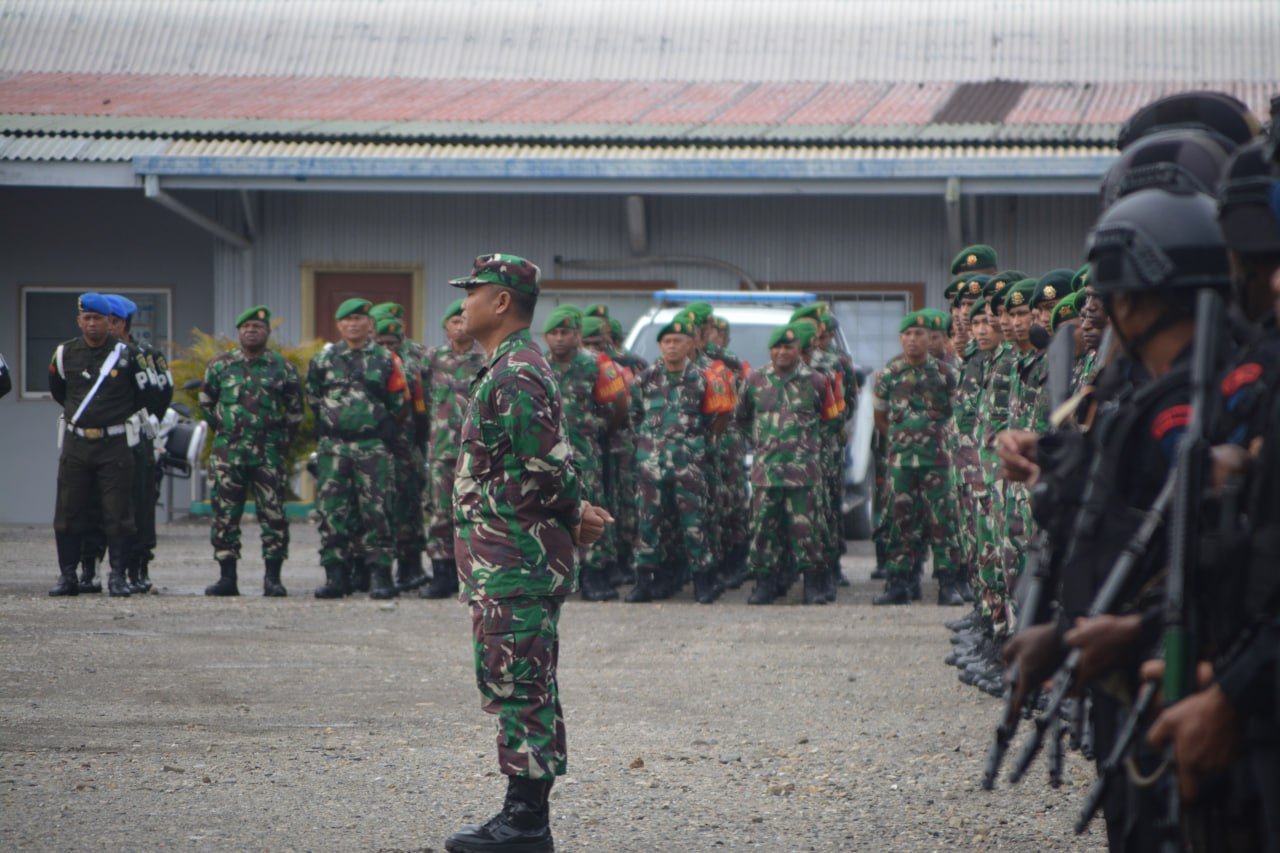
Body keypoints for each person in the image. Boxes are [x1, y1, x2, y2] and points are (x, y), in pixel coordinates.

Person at [442, 253, 609, 853]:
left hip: (518, 556)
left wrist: (576, 513)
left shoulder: (514, 372)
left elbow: (547, 462)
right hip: (507, 556)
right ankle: (523, 816)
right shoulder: (507, 367)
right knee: (519, 679)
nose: (464, 303)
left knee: (521, 683)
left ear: (502, 302)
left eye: (474, 291)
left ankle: (525, 823)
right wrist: (576, 512)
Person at [47, 293, 163, 597]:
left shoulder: (128, 355)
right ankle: (68, 575)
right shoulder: (64, 353)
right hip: (77, 442)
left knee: (118, 513)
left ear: (109, 322)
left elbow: (146, 396)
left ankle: (118, 576)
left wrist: (113, 416)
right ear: (79, 321)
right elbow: (60, 391)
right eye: (86, 318)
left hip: (114, 443)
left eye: (98, 318)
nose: (92, 324)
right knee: (69, 511)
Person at [305, 297, 408, 600]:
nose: (353, 324)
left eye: (359, 319)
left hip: (372, 447)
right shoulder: (323, 360)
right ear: (339, 325)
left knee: (377, 512)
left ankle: (380, 576)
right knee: (332, 513)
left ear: (369, 324)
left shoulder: (385, 359)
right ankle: (335, 575)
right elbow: (313, 398)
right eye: (347, 320)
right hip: (334, 448)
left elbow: (398, 401)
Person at [199, 305, 303, 596]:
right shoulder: (220, 365)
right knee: (225, 515)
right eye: (246, 327)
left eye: (257, 327)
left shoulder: (282, 367)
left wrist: (280, 441)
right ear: (239, 332)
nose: (251, 331)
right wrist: (226, 429)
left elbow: (296, 412)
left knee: (274, 516)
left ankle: (273, 579)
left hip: (268, 453)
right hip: (228, 453)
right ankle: (227, 578)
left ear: (267, 332)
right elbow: (206, 402)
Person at [626, 316, 730, 604]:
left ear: (690, 345)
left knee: (695, 524)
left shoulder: (702, 380)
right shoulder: (645, 380)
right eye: (667, 342)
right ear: (660, 345)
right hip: (652, 466)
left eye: (678, 342)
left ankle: (704, 583)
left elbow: (716, 419)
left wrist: (696, 446)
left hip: (689, 466)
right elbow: (634, 417)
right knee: (648, 525)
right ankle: (644, 582)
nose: (672, 347)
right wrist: (648, 447)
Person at [737, 323, 837, 604]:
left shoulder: (816, 381)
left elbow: (831, 420)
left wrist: (808, 448)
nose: (782, 352)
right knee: (763, 528)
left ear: (798, 350)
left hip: (803, 473)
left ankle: (814, 584)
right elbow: (741, 418)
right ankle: (765, 583)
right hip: (766, 471)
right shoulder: (755, 380)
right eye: (777, 347)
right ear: (770, 350)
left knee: (808, 530)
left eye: (788, 347)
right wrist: (761, 445)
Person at [871, 311, 964, 606]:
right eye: (907, 335)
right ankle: (898, 582)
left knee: (942, 522)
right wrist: (903, 440)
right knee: (900, 522)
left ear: (931, 339)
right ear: (901, 339)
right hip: (900, 463)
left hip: (937, 462)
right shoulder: (889, 374)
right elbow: (880, 417)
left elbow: (955, 414)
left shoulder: (945, 374)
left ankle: (948, 585)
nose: (913, 340)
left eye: (919, 335)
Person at [541, 305, 627, 602]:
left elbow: (618, 406)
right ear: (546, 336)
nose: (560, 338)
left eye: (566, 332)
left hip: (585, 452)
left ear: (577, 335)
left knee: (592, 511)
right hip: (547, 455)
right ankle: (554, 577)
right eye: (554, 333)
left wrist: (597, 429)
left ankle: (594, 575)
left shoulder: (596, 365)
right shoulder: (537, 366)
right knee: (547, 512)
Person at [419, 298, 486, 599]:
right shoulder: (431, 359)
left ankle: (476, 573)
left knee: (478, 511)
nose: (460, 326)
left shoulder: (485, 359)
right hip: (443, 449)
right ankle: (441, 573)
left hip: (478, 450)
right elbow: (420, 399)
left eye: (464, 320)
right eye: (454, 321)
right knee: (440, 512)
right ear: (445, 327)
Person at [371, 305, 431, 594]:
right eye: (381, 340)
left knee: (409, 504)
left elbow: (424, 405)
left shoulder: (419, 356)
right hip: (374, 444)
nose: (386, 347)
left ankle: (411, 567)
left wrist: (420, 442)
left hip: (408, 442)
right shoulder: (366, 359)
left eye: (391, 341)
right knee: (377, 507)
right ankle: (370, 569)